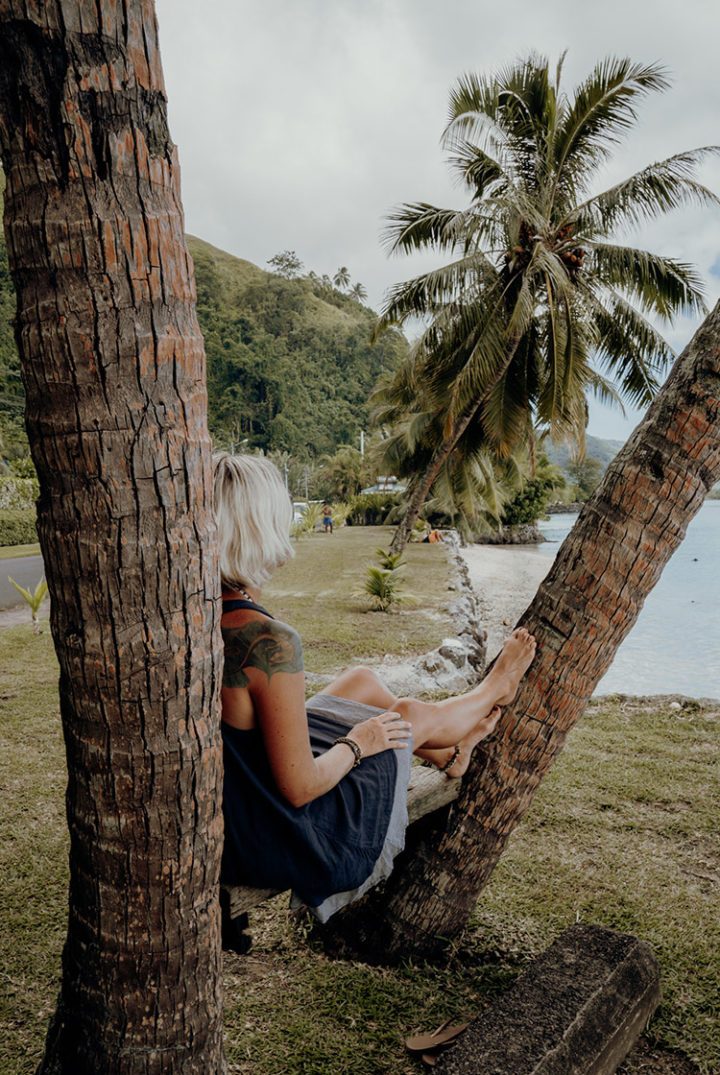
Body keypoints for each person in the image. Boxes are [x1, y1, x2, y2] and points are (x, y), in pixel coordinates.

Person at [214, 452, 536, 922]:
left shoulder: (196, 610)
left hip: (244, 801)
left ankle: (447, 753)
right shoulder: (265, 642)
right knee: (402, 717)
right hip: (289, 831)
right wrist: (357, 743)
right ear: (261, 528)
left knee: (360, 682)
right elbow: (301, 788)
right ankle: (494, 690)